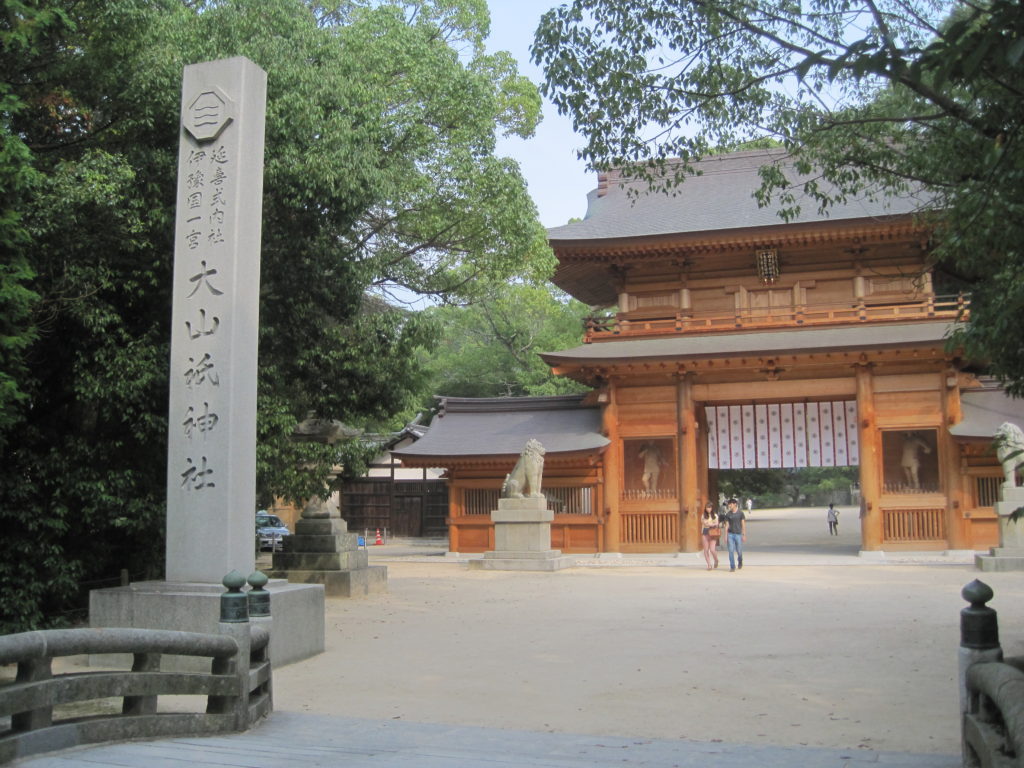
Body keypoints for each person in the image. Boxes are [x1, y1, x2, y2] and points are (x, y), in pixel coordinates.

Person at [721, 497, 746, 571]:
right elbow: (726, 525)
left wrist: (744, 534)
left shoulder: (740, 513)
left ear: (735, 504)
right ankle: (732, 566)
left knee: (739, 550)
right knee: (731, 550)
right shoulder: (728, 514)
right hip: (730, 534)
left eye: (731, 504)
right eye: (729, 504)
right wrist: (725, 536)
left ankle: (740, 560)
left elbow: (743, 524)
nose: (729, 506)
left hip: (738, 534)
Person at [700, 501, 721, 570]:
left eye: (709, 508)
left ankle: (716, 559)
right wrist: (712, 523)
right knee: (706, 550)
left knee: (712, 549)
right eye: (707, 508)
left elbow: (717, 523)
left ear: (712, 508)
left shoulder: (715, 515)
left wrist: (712, 524)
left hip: (713, 532)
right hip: (705, 532)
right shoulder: (703, 515)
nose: (708, 509)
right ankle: (709, 564)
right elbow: (705, 523)